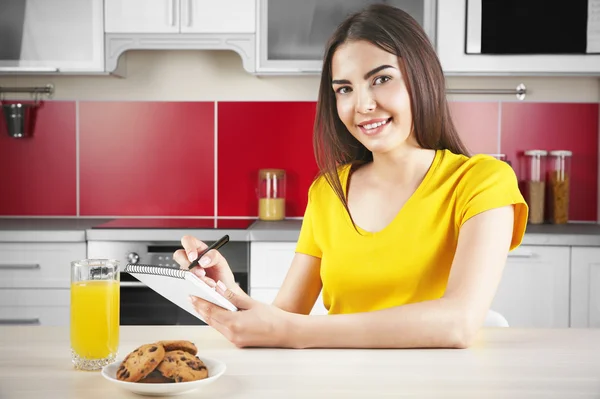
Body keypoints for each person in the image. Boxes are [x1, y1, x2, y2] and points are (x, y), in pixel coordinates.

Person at [174, 4, 528, 349]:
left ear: (422, 77)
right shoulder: (328, 192)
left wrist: (300, 333)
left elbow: (458, 323)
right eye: (344, 89)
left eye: (382, 79)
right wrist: (228, 294)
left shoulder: (482, 182)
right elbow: (282, 319)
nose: (363, 104)